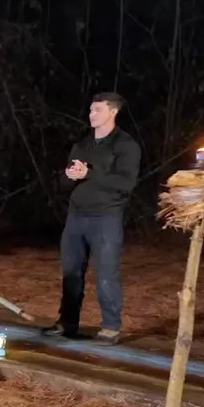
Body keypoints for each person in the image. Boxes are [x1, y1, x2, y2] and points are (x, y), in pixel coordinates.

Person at [45, 92, 141, 344]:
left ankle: (110, 326)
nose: (91, 114)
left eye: (97, 110)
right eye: (90, 110)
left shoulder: (125, 145)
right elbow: (63, 183)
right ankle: (67, 322)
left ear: (113, 112)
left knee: (106, 273)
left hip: (106, 217)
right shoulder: (82, 145)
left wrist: (89, 174)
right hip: (76, 217)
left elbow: (125, 184)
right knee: (71, 273)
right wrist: (69, 177)